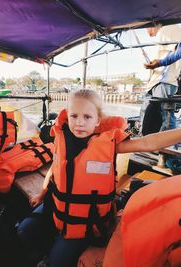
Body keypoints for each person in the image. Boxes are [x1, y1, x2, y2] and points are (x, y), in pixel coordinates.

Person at [17, 89, 181, 267]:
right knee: (25, 230)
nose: (79, 122)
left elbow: (148, 143)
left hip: (87, 218)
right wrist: (41, 194)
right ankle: (46, 250)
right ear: (68, 116)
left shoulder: (109, 143)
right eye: (74, 116)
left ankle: (49, 258)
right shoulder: (60, 136)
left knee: (58, 261)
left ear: (97, 121)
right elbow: (55, 170)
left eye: (87, 117)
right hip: (55, 205)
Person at [140, 24, 181, 133]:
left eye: (144, 26)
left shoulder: (167, 29)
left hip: (164, 81)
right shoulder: (164, 32)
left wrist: (159, 63)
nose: (145, 30)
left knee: (165, 119)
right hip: (156, 82)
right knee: (147, 117)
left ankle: (166, 147)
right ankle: (147, 142)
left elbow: (176, 53)